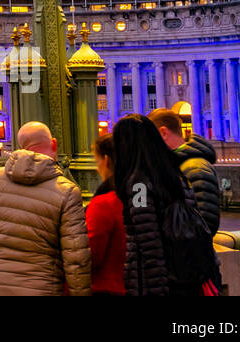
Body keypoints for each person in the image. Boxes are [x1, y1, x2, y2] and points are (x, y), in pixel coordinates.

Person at [0, 121, 91, 296]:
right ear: (54, 144)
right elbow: (76, 259)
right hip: (44, 287)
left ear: (21, 147)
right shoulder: (68, 191)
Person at [113, 114, 219, 296]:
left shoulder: (139, 185)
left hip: (163, 282)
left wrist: (157, 290)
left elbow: (148, 242)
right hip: (193, 275)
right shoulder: (175, 174)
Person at [149, 108, 221, 236]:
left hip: (191, 252)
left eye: (149, 138)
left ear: (163, 133)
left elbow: (206, 223)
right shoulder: (176, 165)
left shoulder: (196, 169)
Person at [85, 133, 126, 296]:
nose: (97, 167)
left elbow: (91, 254)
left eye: (97, 161)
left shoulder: (104, 204)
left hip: (107, 288)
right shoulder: (142, 196)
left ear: (106, 160)